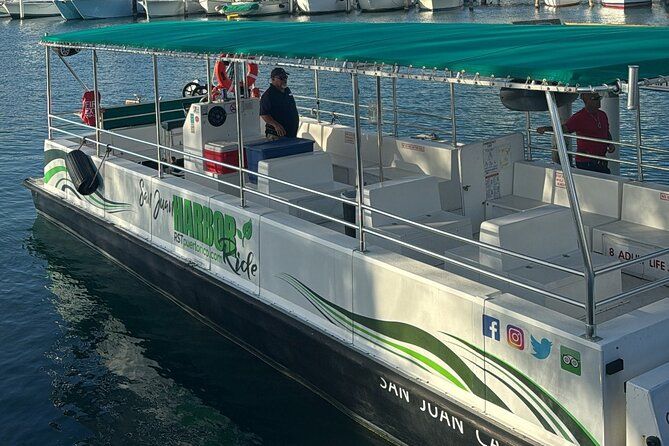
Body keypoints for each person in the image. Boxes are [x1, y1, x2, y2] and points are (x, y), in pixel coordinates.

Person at [537, 93, 616, 174]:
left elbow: (606, 131)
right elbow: (565, 128)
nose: (598, 101)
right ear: (586, 101)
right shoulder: (579, 117)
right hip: (586, 161)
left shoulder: (602, 115)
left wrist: (610, 144)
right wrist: (547, 128)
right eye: (594, 98)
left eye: (599, 98)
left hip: (601, 160)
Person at [259, 67, 299, 140]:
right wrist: (276, 125)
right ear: (273, 79)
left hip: (291, 133)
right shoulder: (268, 95)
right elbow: (264, 114)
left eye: (285, 77)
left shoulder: (287, 90)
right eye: (281, 78)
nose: (284, 80)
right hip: (277, 134)